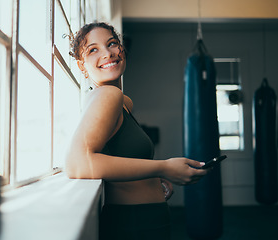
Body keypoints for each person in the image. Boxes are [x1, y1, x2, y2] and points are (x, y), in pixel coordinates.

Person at [65, 22, 210, 240]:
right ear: (81, 65)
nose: (107, 53)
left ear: (122, 49)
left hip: (145, 219)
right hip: (133, 224)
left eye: (112, 44)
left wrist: (155, 176)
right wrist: (164, 167)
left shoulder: (122, 102)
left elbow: (117, 157)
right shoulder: (107, 96)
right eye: (93, 49)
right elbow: (77, 163)